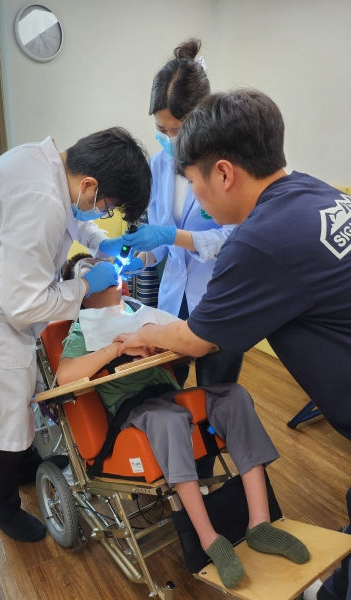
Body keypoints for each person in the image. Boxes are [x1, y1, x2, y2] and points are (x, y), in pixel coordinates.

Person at [114, 89, 351, 599]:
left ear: (223, 173)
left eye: (194, 184)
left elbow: (195, 339)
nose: (195, 198)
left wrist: (145, 332)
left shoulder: (260, 240)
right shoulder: (317, 193)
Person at [0, 128, 151, 543]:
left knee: (19, 401)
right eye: (106, 207)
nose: (101, 213)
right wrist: (85, 285)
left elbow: (74, 221)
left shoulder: (48, 168)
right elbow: (24, 306)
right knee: (1, 413)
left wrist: (105, 245)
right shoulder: (41, 197)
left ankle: (23, 464)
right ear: (89, 185)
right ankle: (1, 508)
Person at [56, 253, 309, 590]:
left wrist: (155, 340)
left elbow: (186, 340)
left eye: (105, 264)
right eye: (90, 271)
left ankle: (260, 524)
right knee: (170, 419)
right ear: (82, 293)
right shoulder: (82, 328)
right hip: (134, 410)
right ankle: (209, 539)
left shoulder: (138, 311)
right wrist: (115, 350)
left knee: (234, 397)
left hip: (169, 394)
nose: (104, 271)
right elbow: (65, 376)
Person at [121, 39, 242, 390]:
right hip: (174, 296)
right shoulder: (159, 165)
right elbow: (160, 239)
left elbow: (235, 238)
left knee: (215, 392)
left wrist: (171, 236)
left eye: (178, 128)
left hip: (219, 295)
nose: (171, 138)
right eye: (162, 130)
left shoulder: (228, 165)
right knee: (167, 386)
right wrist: (142, 258)